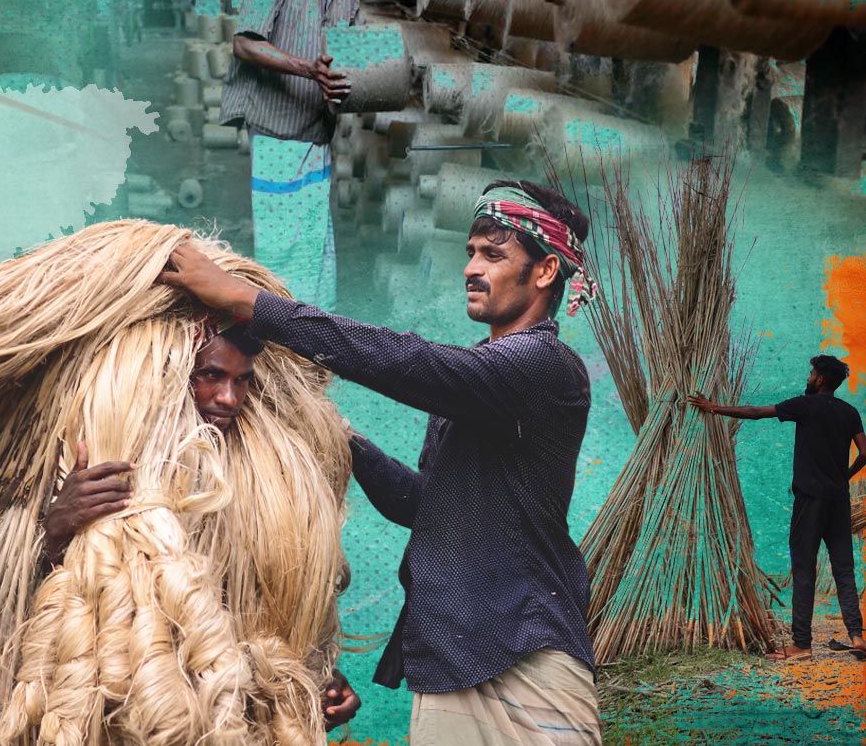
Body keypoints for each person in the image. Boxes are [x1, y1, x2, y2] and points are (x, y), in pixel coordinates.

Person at [157, 180, 602, 746]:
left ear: (544, 273)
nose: (471, 268)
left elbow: (408, 363)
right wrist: (343, 440)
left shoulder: (542, 366)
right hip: (454, 653)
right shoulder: (487, 381)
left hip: (521, 653)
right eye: (470, 252)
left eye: (493, 255)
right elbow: (426, 506)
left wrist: (247, 301)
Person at [41, 322, 363, 732]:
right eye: (211, 376)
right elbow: (34, 601)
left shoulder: (272, 479)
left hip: (235, 715)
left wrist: (319, 681)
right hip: (130, 715)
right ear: (173, 373)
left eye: (241, 380)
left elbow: (286, 615)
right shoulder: (97, 464)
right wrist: (56, 527)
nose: (228, 398)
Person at [220, 0, 368, 314]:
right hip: (278, 135)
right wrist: (308, 69)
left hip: (318, 135)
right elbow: (244, 43)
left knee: (315, 247)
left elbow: (357, 52)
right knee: (282, 253)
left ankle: (311, 346)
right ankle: (279, 351)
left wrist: (396, 62)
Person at [687, 355, 866, 661]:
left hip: (810, 500)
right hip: (838, 500)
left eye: (811, 374)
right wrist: (843, 478)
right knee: (844, 570)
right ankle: (858, 638)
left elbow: (757, 412)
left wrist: (713, 408)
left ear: (820, 380)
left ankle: (801, 645)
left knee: (804, 570)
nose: (808, 378)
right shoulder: (849, 412)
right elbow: (865, 453)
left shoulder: (804, 405)